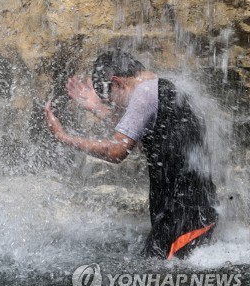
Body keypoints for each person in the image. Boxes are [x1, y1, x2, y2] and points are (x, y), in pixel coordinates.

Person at [45, 49, 218, 259]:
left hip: (183, 220)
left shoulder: (143, 95)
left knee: (160, 280)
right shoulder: (163, 86)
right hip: (196, 211)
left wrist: (64, 137)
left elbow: (116, 151)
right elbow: (135, 133)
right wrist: (97, 107)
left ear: (118, 82)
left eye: (111, 99)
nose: (115, 106)